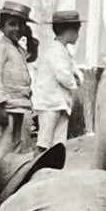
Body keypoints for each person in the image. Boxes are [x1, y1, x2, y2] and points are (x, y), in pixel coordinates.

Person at [0, 0, 33, 164]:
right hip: (5, 109)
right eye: (12, 24)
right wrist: (0, 107)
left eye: (21, 25)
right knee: (1, 153)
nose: (17, 29)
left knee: (15, 150)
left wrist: (30, 36)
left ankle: (9, 186)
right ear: (2, 27)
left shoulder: (18, 49)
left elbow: (31, 56)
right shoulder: (1, 48)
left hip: (18, 107)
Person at [32, 9, 82, 150]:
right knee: (45, 140)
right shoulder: (55, 51)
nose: (78, 35)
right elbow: (64, 75)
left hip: (60, 102)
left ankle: (54, 166)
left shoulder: (63, 51)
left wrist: (77, 77)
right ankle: (38, 163)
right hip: (49, 103)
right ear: (69, 31)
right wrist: (74, 83)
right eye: (77, 31)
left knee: (58, 141)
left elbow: (73, 70)